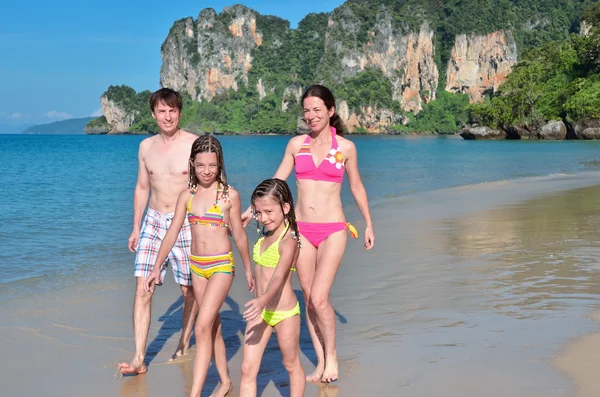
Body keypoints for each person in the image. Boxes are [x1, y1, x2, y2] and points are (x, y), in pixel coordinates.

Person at [242, 85, 375, 383]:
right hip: (301, 231)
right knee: (310, 302)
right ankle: (319, 360)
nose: (311, 115)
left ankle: (332, 356)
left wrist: (368, 223)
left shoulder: (346, 148)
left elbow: (356, 187)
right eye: (306, 110)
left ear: (330, 111)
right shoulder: (295, 145)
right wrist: (254, 208)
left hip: (333, 230)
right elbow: (277, 179)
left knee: (318, 298)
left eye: (317, 109)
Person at [145, 135, 254, 397]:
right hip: (198, 267)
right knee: (212, 326)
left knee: (201, 326)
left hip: (220, 266)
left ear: (220, 165)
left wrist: (249, 269)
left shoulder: (229, 196)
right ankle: (225, 382)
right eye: (201, 165)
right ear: (192, 164)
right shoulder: (187, 196)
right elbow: (172, 233)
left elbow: (239, 235)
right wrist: (156, 266)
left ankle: (195, 393)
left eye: (213, 166)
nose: (207, 171)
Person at [118, 88, 199, 376]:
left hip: (186, 222)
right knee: (142, 289)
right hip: (153, 222)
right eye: (162, 111)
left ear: (179, 112)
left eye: (172, 110)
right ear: (154, 114)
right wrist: (136, 227)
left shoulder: (195, 144)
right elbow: (142, 187)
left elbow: (213, 184)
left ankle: (185, 341)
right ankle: (139, 358)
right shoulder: (145, 147)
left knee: (189, 290)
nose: (167, 116)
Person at [240, 178, 305, 397]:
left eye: (269, 211)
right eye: (258, 212)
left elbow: (278, 276)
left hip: (284, 313)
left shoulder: (290, 240)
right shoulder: (265, 233)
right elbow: (262, 269)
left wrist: (262, 299)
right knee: (247, 369)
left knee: (291, 364)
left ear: (285, 208)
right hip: (260, 312)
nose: (263, 218)